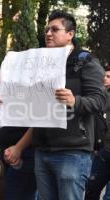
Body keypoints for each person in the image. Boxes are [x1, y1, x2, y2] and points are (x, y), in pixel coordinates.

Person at [30, 10, 106, 200]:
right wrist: (10, 103)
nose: (48, 33)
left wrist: (74, 101)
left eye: (54, 29)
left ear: (70, 34)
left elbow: (100, 101)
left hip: (73, 152)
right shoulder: (41, 64)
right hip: (42, 149)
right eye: (47, 29)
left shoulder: (86, 61)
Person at [85, 67, 110, 200]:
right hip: (103, 152)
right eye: (104, 76)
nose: (104, 79)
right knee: (91, 189)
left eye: (108, 77)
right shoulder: (99, 96)